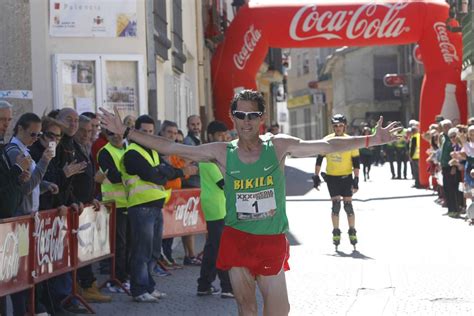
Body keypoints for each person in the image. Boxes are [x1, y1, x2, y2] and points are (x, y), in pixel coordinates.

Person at [99, 89, 401, 315]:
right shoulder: (220, 151)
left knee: (279, 311)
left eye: (252, 115)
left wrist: (370, 140)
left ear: (261, 118)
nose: (246, 121)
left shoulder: (279, 146)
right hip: (238, 238)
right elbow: (170, 146)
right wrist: (126, 132)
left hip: (270, 239)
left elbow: (326, 144)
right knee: (246, 310)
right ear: (233, 118)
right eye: (240, 115)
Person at [121, 114, 174, 302]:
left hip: (155, 207)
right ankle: (138, 289)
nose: (148, 135)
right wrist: (162, 173)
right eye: (144, 132)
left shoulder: (152, 152)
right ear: (135, 132)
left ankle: (149, 287)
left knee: (153, 251)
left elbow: (169, 170)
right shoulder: (133, 152)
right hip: (141, 207)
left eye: (151, 132)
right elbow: (153, 175)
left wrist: (163, 173)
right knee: (141, 251)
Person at [197, 121, 233, 299]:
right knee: (221, 248)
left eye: (225, 135)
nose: (223, 138)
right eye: (220, 135)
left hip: (219, 204)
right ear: (211, 136)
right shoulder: (208, 157)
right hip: (215, 205)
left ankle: (204, 284)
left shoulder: (216, 156)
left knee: (213, 248)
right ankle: (226, 286)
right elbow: (224, 183)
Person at [313, 114, 360, 251]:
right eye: (335, 126)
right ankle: (336, 232)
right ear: (333, 127)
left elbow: (356, 163)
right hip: (332, 177)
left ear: (344, 126)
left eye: (340, 125)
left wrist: (356, 180)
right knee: (335, 206)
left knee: (348, 206)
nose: (338, 128)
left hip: (346, 177)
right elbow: (319, 159)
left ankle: (352, 231)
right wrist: (316, 176)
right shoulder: (327, 140)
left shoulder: (350, 141)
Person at [97, 126, 129, 292]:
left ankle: (125, 277)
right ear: (106, 136)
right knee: (119, 245)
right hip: (114, 204)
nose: (116, 136)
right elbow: (115, 177)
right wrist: (135, 174)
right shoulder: (104, 152)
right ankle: (117, 279)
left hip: (131, 202)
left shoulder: (128, 148)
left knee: (129, 244)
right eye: (111, 134)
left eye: (118, 133)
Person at [409, 123, 421, 188]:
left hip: (415, 156)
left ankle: (417, 183)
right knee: (418, 171)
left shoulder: (414, 137)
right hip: (419, 156)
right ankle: (419, 182)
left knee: (416, 171)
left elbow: (413, 148)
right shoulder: (419, 135)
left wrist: (410, 156)